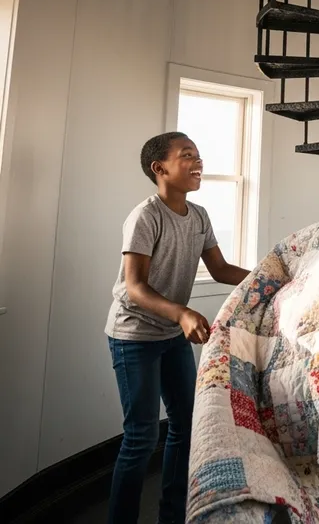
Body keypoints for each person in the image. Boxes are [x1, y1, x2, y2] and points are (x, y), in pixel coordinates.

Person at [105, 132, 250, 524]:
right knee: (141, 438)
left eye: (198, 155)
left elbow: (220, 270)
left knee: (187, 426)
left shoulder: (199, 215)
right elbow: (134, 287)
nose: (197, 162)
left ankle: (173, 515)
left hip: (171, 337)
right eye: (187, 156)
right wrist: (183, 314)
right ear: (160, 168)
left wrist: (268, 278)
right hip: (133, 336)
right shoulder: (145, 216)